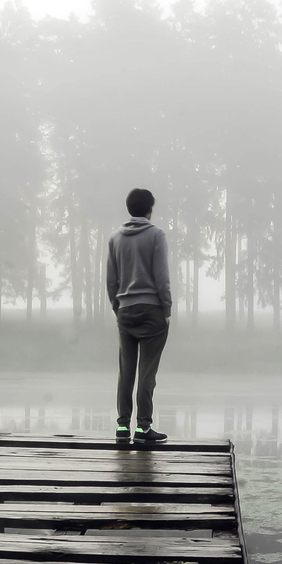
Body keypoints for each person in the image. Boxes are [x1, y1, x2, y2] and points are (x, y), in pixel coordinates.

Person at [106, 188, 172, 443]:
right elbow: (162, 277)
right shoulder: (156, 235)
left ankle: (122, 427)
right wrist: (166, 309)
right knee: (147, 372)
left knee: (126, 371)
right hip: (153, 311)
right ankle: (143, 429)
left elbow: (111, 282)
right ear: (149, 209)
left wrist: (118, 308)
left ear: (129, 208)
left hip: (125, 311)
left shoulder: (114, 239)